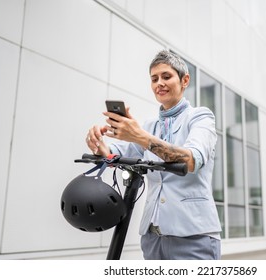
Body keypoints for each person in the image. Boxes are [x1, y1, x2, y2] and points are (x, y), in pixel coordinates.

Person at [86, 50, 221, 260]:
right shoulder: (150, 126)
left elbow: (191, 160)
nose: (160, 83)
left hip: (193, 235)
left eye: (166, 77)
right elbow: (118, 155)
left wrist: (140, 136)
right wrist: (100, 146)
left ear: (185, 80)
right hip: (152, 237)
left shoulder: (201, 117)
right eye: (154, 79)